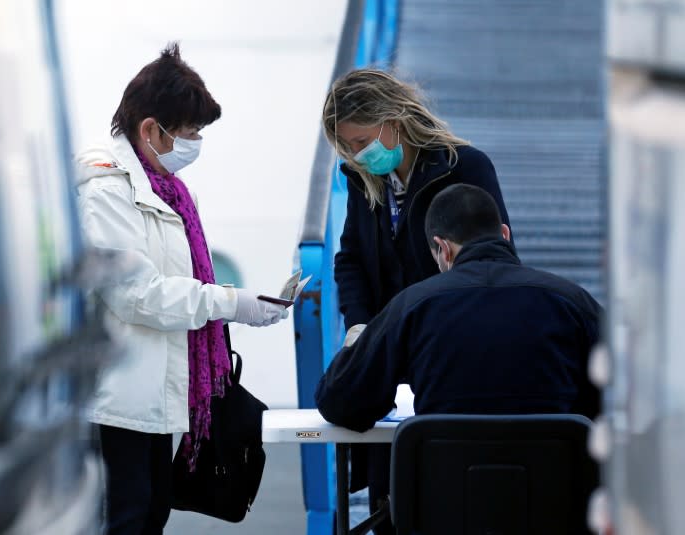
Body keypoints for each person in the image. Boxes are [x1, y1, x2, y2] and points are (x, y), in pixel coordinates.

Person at [75, 43, 288, 534]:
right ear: (151, 130)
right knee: (127, 518)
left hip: (148, 392)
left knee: (151, 513)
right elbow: (139, 294)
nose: (195, 143)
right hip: (116, 397)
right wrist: (231, 303)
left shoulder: (164, 189)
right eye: (189, 133)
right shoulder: (107, 193)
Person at [315, 184, 601, 529]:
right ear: (505, 234)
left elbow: (339, 400)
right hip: (557, 512)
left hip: (443, 514)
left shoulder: (414, 306)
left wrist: (357, 344)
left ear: (442, 249)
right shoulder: (573, 302)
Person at [321, 68, 514, 531]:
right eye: (347, 147)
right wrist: (360, 327)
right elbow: (350, 259)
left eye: (362, 140)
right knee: (393, 497)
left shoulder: (463, 166)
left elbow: (495, 259)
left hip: (449, 348)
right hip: (390, 346)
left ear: (394, 120)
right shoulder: (362, 179)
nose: (357, 154)